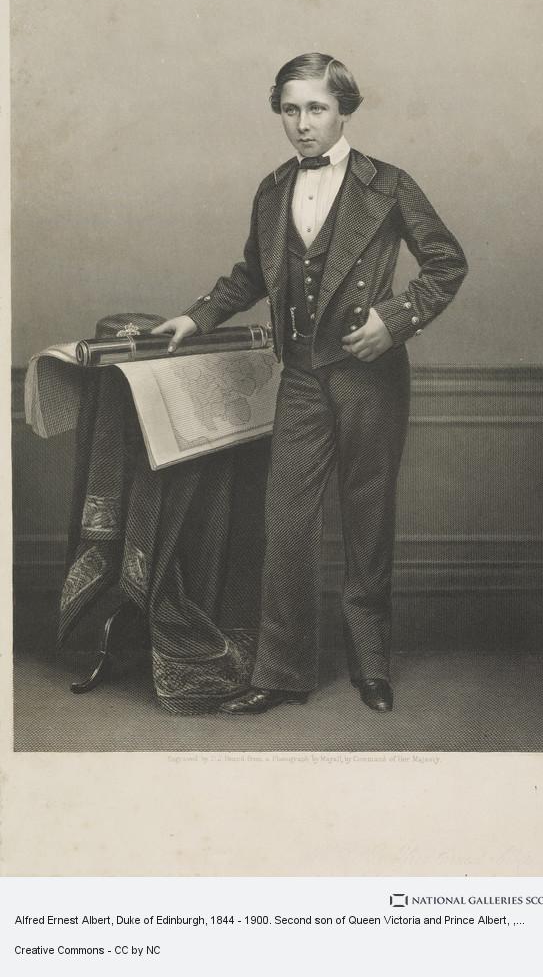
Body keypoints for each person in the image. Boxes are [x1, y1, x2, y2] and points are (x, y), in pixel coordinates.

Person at [153, 52, 467, 714]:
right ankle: (281, 671)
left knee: (367, 519)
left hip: (370, 376)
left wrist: (393, 322)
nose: (302, 124)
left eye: (316, 108)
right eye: (290, 109)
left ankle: (371, 666)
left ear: (343, 111)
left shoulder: (389, 184)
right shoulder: (272, 191)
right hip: (300, 376)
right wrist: (197, 316)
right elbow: (252, 275)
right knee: (287, 524)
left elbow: (446, 263)